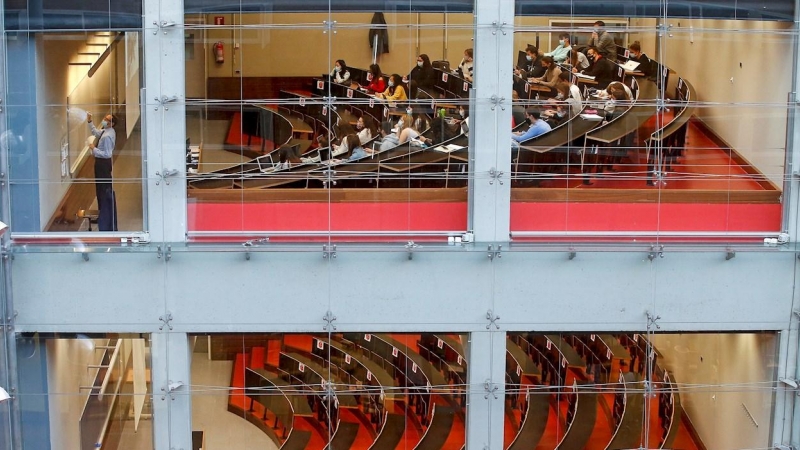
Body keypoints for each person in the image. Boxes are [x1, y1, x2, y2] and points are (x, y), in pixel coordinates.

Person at [87, 112, 117, 231]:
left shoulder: (108, 136)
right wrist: (90, 122)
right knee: (100, 190)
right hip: (101, 163)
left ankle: (104, 216)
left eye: (107, 120)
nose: (104, 120)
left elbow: (107, 154)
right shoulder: (106, 131)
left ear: (112, 124)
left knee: (103, 191)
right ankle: (102, 215)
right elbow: (96, 133)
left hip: (103, 164)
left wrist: (94, 149)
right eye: (105, 118)